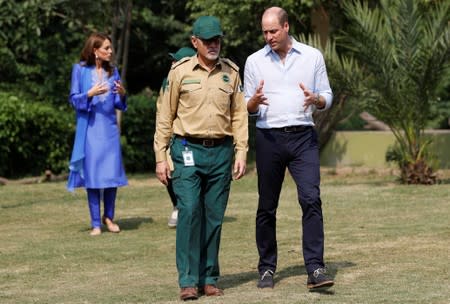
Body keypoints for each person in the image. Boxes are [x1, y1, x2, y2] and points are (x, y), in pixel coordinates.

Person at [154, 16, 248, 301]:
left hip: (221, 151)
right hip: (186, 150)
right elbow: (164, 115)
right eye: (207, 40)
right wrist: (160, 156)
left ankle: (209, 278)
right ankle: (188, 280)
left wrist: (242, 150)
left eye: (217, 39)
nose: (213, 45)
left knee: (214, 218)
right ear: (194, 42)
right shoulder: (180, 71)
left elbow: (239, 115)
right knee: (190, 211)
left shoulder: (231, 72)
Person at [244, 7, 334, 290]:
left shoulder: (312, 56)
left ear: (286, 27)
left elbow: (327, 95)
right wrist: (254, 102)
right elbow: (246, 105)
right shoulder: (254, 61)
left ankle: (316, 268)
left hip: (302, 138)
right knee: (266, 206)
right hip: (268, 138)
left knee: (311, 199)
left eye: (273, 31)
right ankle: (267, 269)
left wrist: (317, 99)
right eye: (264, 32)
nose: (268, 37)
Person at [67, 32, 128, 236]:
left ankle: (109, 218)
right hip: (90, 130)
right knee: (93, 177)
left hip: (109, 129)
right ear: (95, 50)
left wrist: (122, 94)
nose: (110, 51)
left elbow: (119, 104)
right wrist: (89, 94)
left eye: (111, 48)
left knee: (110, 176)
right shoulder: (80, 70)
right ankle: (95, 223)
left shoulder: (114, 72)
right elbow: (74, 100)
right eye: (107, 48)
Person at [156, 47, 197, 228]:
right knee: (168, 172)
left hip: (186, 137)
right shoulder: (167, 81)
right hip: (168, 134)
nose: (173, 64)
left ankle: (188, 208)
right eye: (172, 61)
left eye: (177, 61)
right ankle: (177, 205)